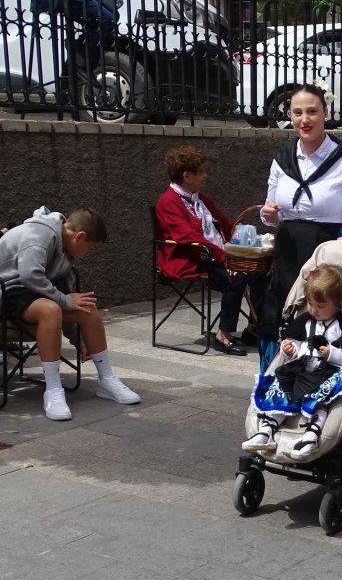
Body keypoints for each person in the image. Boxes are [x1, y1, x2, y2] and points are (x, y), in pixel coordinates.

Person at [258, 85, 342, 367]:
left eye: (312, 112)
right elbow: (270, 213)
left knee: (318, 318)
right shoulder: (282, 159)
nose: (304, 119)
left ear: (325, 114)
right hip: (287, 252)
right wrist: (268, 215)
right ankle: (275, 379)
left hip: (325, 252)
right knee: (280, 317)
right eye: (297, 113)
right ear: (290, 116)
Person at [0, 207, 139, 421]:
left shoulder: (65, 248)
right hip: (9, 288)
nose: (87, 253)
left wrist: (79, 340)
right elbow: (29, 276)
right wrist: (64, 300)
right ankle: (53, 390)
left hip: (34, 291)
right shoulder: (40, 234)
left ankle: (106, 379)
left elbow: (65, 295)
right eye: (90, 248)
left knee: (86, 308)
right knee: (51, 310)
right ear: (79, 237)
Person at [242, 265, 342, 461]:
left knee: (320, 400)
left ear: (339, 303)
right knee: (280, 389)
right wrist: (288, 350)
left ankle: (311, 436)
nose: (313, 310)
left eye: (320, 306)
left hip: (327, 371)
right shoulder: (305, 321)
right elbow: (298, 346)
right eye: (310, 304)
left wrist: (333, 354)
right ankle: (266, 431)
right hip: (302, 368)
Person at [154, 146, 266, 356]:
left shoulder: (200, 198)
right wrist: (224, 258)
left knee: (260, 271)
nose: (205, 176)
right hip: (188, 259)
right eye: (200, 172)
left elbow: (224, 222)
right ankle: (224, 334)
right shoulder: (168, 201)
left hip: (211, 255)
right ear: (187, 176)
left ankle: (255, 327)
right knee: (236, 277)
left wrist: (247, 238)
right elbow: (187, 236)